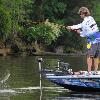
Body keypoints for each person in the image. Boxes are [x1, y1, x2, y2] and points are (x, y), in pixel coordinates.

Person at [67, 7, 100, 74]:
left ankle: (89, 72)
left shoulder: (84, 23)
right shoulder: (91, 18)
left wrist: (76, 30)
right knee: (96, 56)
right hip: (98, 37)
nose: (80, 16)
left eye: (80, 14)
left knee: (89, 56)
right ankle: (96, 71)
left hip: (91, 39)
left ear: (82, 13)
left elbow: (84, 33)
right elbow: (81, 26)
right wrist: (73, 27)